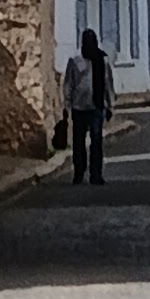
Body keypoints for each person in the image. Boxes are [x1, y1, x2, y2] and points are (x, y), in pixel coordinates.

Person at [61, 29, 112, 186]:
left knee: (96, 142)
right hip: (79, 107)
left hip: (96, 106)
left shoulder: (102, 60)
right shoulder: (75, 60)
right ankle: (79, 173)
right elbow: (69, 83)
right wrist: (67, 104)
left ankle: (96, 174)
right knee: (78, 143)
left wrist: (109, 105)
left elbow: (107, 84)